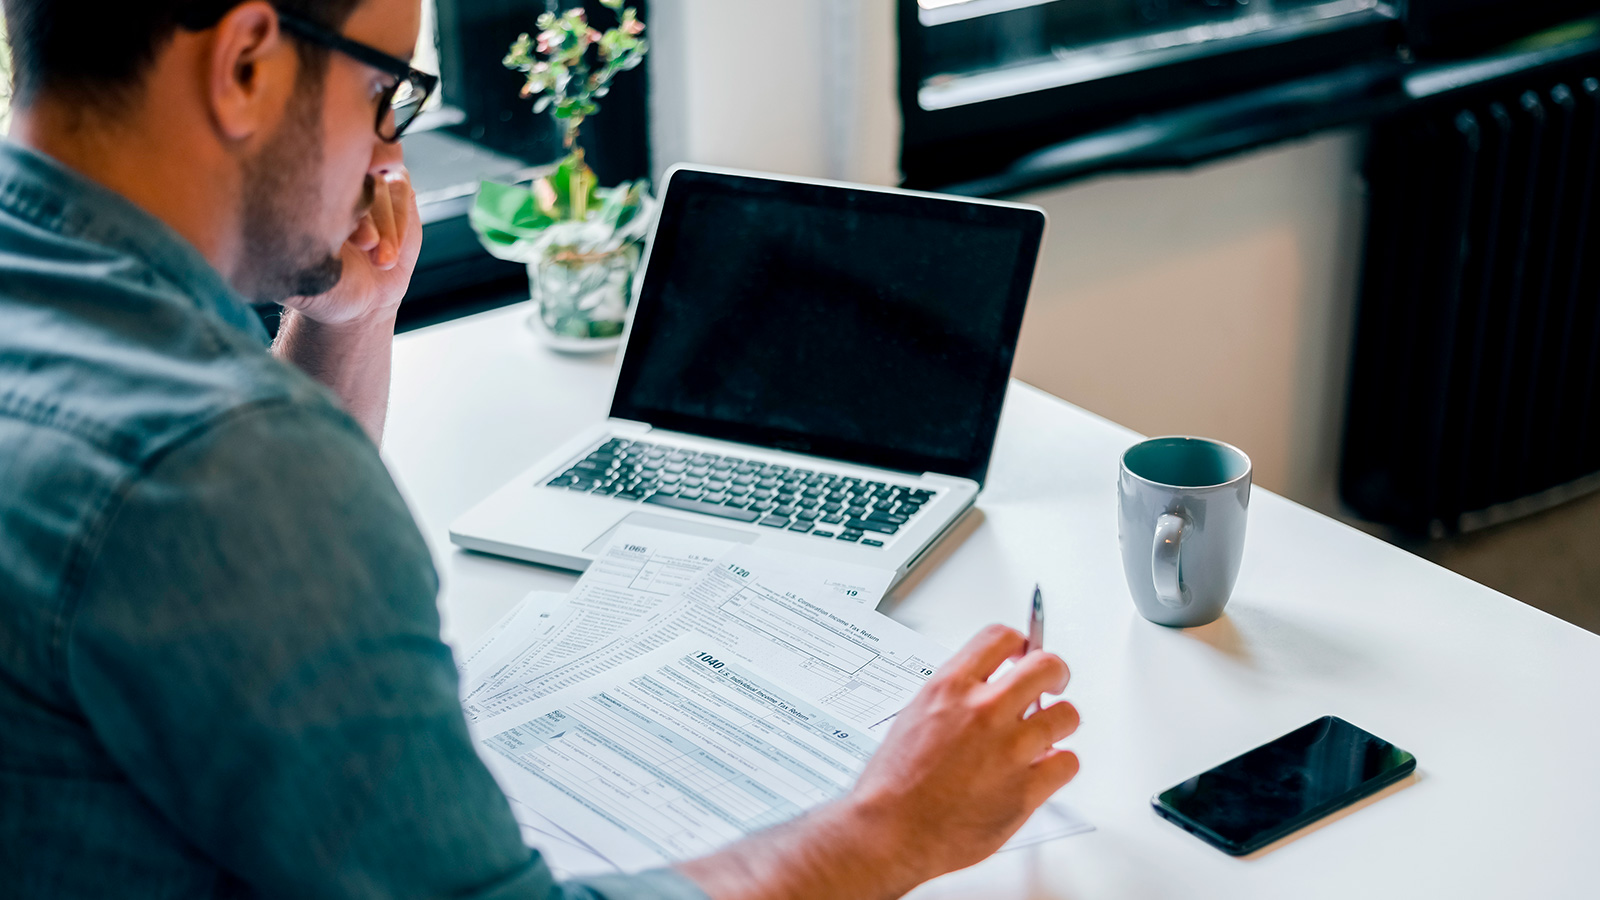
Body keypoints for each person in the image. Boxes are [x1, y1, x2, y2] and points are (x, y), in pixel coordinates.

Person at [0, 1, 1082, 898]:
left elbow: (200, 562)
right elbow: (226, 499)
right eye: (389, 94)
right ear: (243, 65)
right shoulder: (231, 467)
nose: (391, 149)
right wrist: (892, 823)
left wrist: (344, 321)